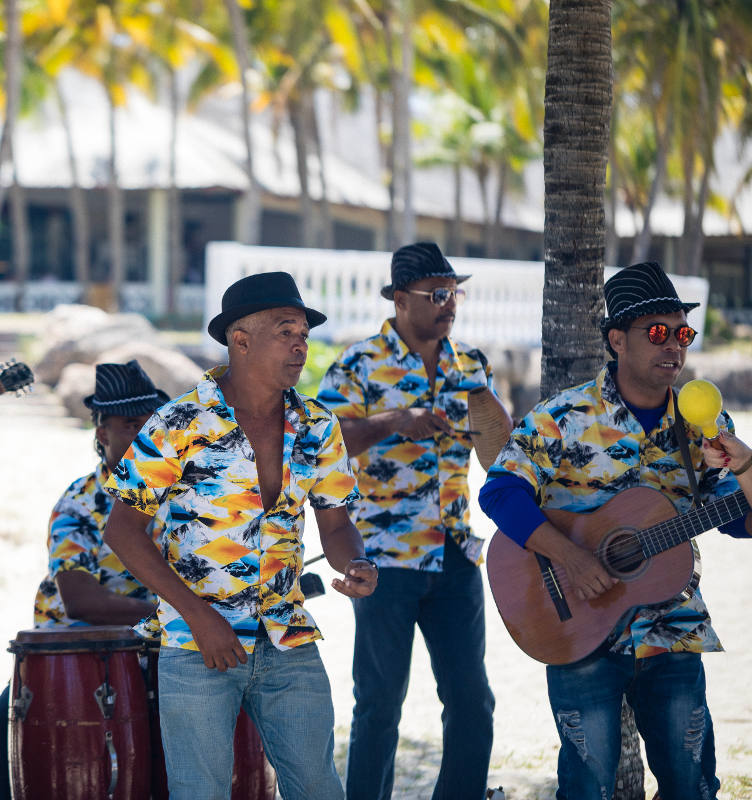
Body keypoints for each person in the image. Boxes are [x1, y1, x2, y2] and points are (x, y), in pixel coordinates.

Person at [479, 260, 752, 799]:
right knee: (587, 789)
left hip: (674, 629)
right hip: (575, 627)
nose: (673, 345)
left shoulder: (705, 425)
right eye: (657, 332)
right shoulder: (564, 417)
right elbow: (499, 491)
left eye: (682, 333)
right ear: (617, 340)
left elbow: (738, 520)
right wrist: (570, 556)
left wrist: (745, 467)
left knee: (692, 787)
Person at [103, 271, 377, 800]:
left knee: (320, 788)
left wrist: (355, 565)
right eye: (285, 331)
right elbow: (123, 530)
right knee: (199, 793)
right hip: (197, 645)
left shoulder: (318, 426)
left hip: (288, 635)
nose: (301, 345)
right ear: (240, 339)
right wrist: (198, 616)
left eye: (303, 333)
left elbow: (337, 524)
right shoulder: (181, 421)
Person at [317, 241, 497, 800]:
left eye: (455, 294)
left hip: (456, 554)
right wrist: (396, 420)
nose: (450, 305)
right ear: (400, 299)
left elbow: (499, 442)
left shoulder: (471, 363)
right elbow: (323, 442)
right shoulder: (358, 363)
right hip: (382, 558)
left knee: (472, 700)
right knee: (379, 702)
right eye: (437, 294)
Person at [0, 360, 169, 799]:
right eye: (130, 425)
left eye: (152, 424)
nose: (146, 436)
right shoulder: (81, 501)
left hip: (166, 654)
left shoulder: (185, 497)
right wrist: (179, 611)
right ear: (102, 433)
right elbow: (80, 601)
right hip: (74, 653)